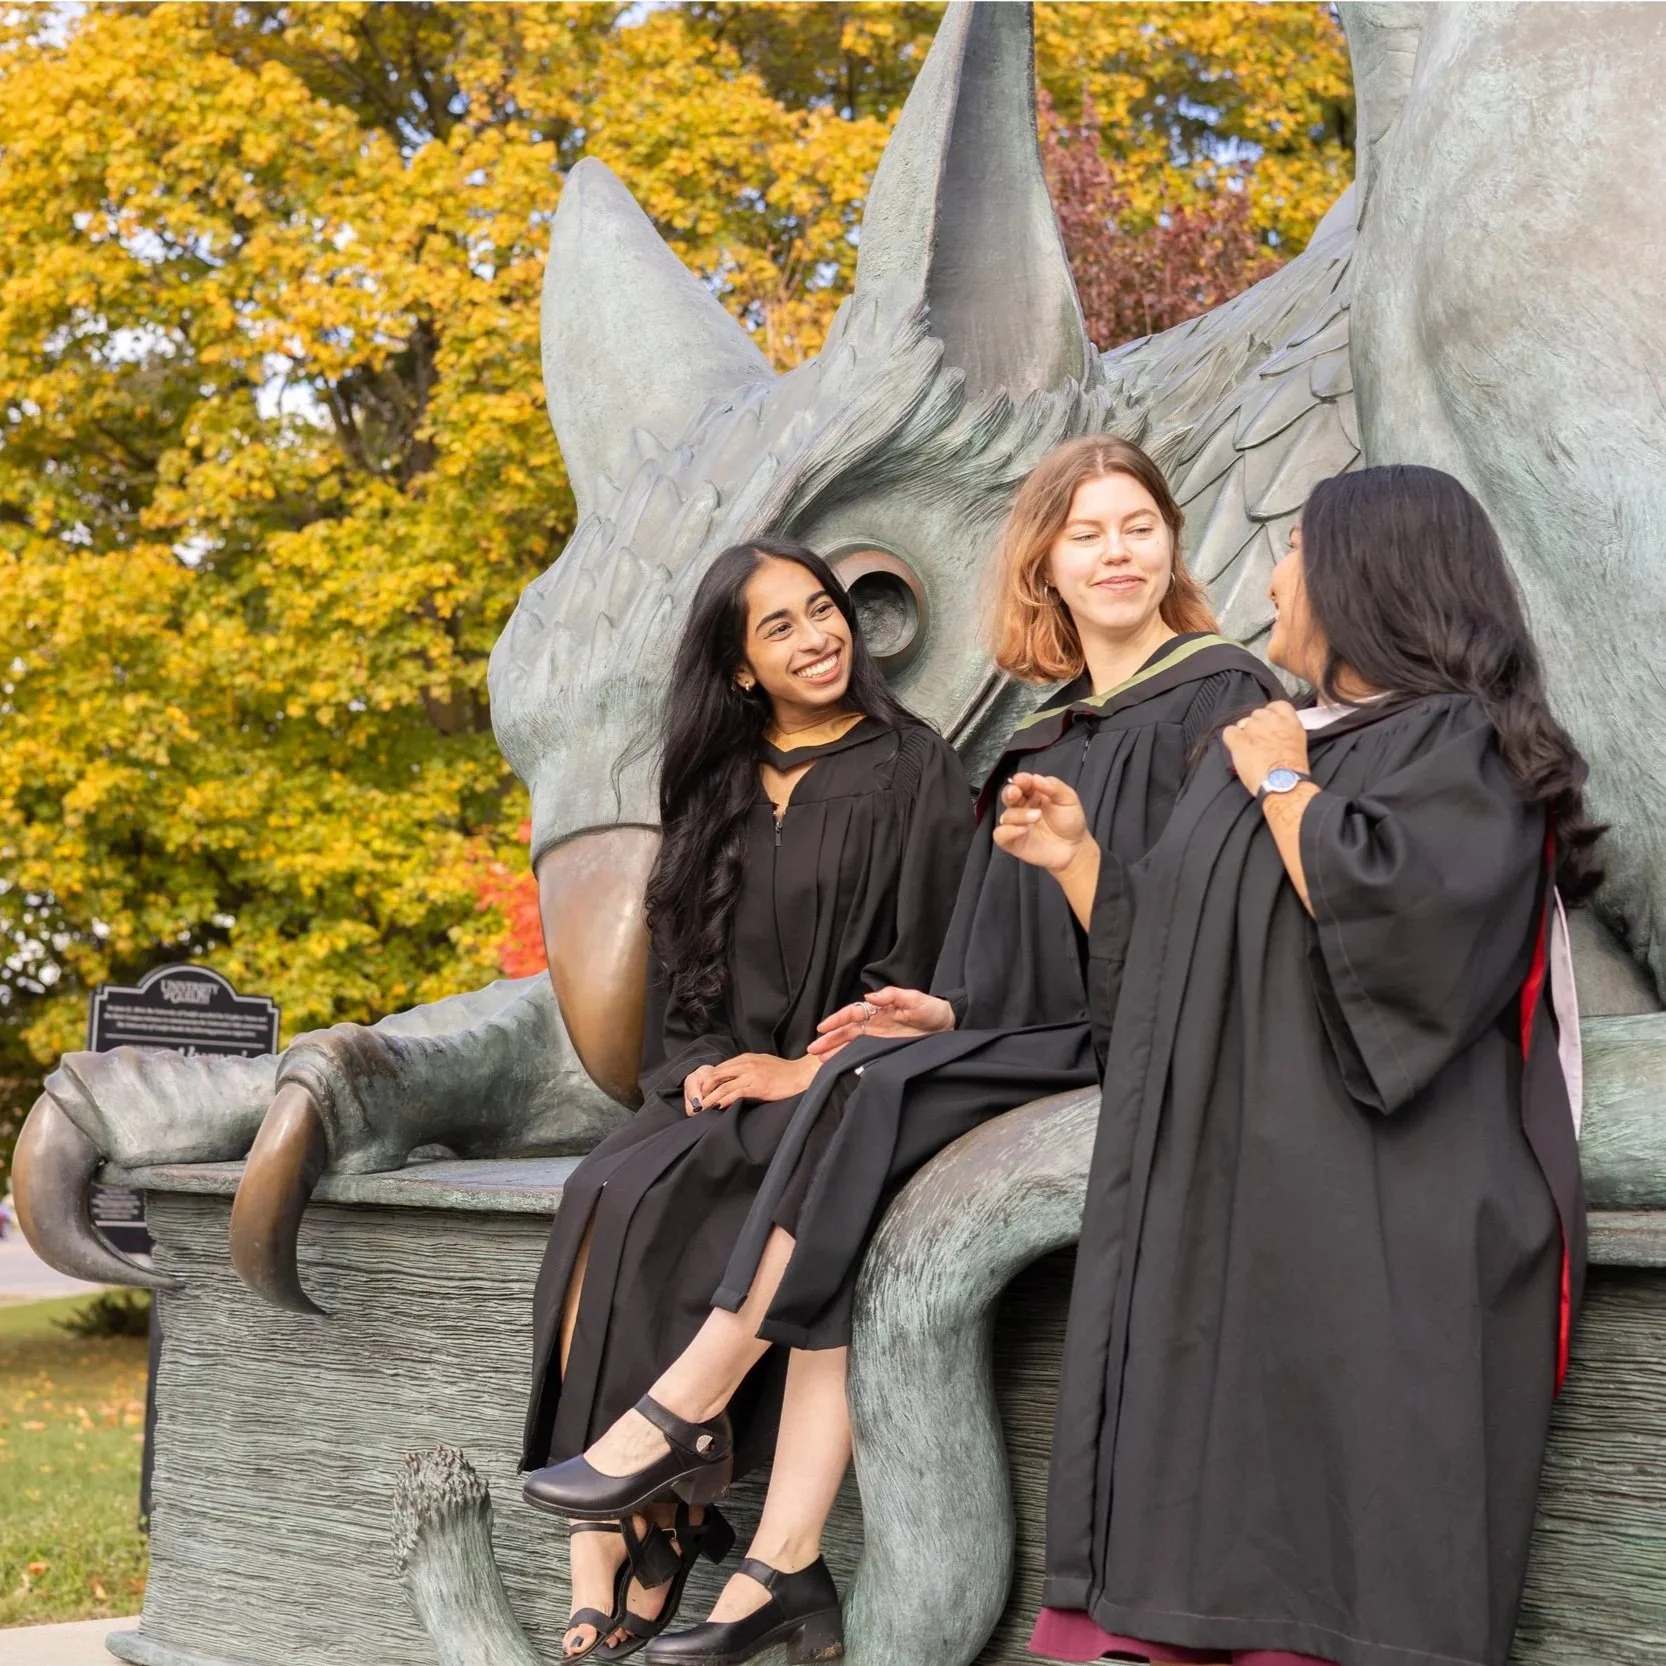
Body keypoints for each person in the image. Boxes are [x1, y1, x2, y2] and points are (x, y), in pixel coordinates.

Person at [528, 434, 1278, 1666]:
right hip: (1044, 1036)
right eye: (1085, 533)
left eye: (1136, 526)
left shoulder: (1222, 698)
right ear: (1043, 561)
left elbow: (1214, 945)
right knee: (861, 1084)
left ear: (1172, 542)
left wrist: (1079, 867)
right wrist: (942, 1013)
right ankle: (771, 1560)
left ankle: (691, 1402)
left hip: (1166, 1049)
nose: (1115, 553)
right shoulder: (1049, 734)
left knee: (852, 1093)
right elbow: (1004, 967)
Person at [1001, 464, 1597, 1666]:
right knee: (1181, 1540)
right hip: (1235, 1212)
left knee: (1331, 1557)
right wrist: (1080, 865)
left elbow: (1409, 939)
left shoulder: (1457, 744)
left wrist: (1283, 781)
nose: (1269, 576)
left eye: (1292, 549)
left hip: (1382, 1227)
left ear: (1363, 578)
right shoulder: (1276, 742)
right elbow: (1184, 968)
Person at [519, 538, 973, 1663]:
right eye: (780, 626)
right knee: (604, 1185)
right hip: (725, 1078)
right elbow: (682, 977)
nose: (818, 636)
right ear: (737, 667)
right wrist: (704, 1069)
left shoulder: (912, 769)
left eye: (823, 611)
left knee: (699, 1181)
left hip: (843, 1084)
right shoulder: (714, 786)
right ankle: (623, 1531)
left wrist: (798, 1070)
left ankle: (648, 1519)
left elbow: (932, 972)